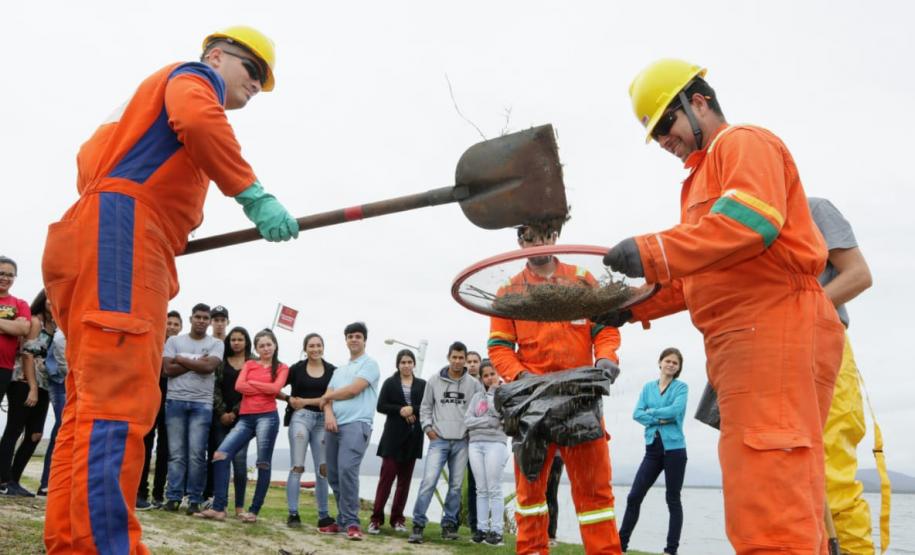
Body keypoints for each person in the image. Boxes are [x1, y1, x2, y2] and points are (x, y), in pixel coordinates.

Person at [40, 25, 298, 553]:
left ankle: (71, 542)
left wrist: (163, 220)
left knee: (87, 405)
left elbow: (89, 160)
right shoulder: (191, 78)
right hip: (124, 239)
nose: (257, 85)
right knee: (118, 402)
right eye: (252, 71)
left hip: (93, 234)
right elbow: (200, 120)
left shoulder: (134, 114)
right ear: (216, 55)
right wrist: (252, 195)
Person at [604, 59, 846, 553]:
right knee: (774, 485)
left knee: (769, 496)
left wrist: (652, 251)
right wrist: (630, 308)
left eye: (665, 125)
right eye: (654, 136)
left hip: (773, 328)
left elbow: (749, 222)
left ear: (698, 102)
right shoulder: (697, 182)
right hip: (744, 342)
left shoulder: (743, 142)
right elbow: (701, 271)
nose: (663, 141)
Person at [488, 221, 622, 554]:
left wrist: (606, 358)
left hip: (581, 399)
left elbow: (604, 330)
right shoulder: (509, 291)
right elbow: (499, 346)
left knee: (597, 496)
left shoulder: (580, 279)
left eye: (542, 236)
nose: (536, 244)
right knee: (530, 496)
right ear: (520, 241)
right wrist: (521, 380)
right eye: (528, 238)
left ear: (554, 236)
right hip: (531, 405)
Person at [809, 197, 880, 554]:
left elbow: (859, 275)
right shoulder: (738, 223)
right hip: (768, 355)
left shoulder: (814, 209)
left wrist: (797, 315)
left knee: (832, 476)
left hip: (824, 343)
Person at [196, 328, 287, 523]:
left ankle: (253, 511)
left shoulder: (281, 367)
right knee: (220, 455)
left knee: (263, 463)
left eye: (268, 344)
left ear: (275, 345)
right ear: (256, 348)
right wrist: (264, 388)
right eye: (261, 345)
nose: (265, 348)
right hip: (245, 418)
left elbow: (274, 389)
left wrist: (253, 384)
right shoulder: (250, 363)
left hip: (267, 417)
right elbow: (239, 386)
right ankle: (219, 508)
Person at [408, 341, 483, 544]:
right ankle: (418, 525)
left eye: (461, 358)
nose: (457, 361)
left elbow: (479, 410)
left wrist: (470, 431)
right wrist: (428, 428)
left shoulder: (474, 385)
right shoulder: (434, 381)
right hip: (438, 440)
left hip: (462, 442)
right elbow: (425, 407)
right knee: (428, 482)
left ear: (465, 360)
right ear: (448, 357)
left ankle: (449, 525)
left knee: (456, 486)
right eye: (454, 357)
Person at [618, 348, 688, 555]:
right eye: (668, 361)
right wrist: (659, 419)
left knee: (672, 499)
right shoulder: (648, 388)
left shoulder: (681, 387)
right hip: (652, 450)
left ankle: (671, 550)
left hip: (675, 450)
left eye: (675, 363)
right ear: (660, 363)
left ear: (678, 368)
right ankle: (620, 545)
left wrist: (651, 413)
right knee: (634, 496)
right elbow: (636, 414)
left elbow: (676, 411)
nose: (671, 365)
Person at [317, 322, 380, 541]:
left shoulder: (370, 365)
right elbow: (326, 398)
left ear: (364, 340)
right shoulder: (338, 371)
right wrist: (328, 413)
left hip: (357, 424)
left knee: (347, 470)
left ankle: (353, 522)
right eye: (350, 336)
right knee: (333, 474)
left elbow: (353, 391)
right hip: (333, 426)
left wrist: (327, 398)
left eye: (358, 336)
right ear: (345, 340)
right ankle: (343, 521)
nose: (354, 339)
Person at [162, 303, 223, 515]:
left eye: (205, 318)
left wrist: (180, 358)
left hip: (202, 404)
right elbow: (168, 370)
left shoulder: (216, 343)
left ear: (209, 321)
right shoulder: (173, 340)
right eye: (197, 317)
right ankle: (173, 497)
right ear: (191, 319)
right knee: (176, 454)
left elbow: (208, 368)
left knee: (197, 454)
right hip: (175, 401)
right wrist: (195, 362)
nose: (201, 321)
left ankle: (195, 499)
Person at [0, 290, 55, 497]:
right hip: (24, 380)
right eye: (51, 297)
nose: (54, 301)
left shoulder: (56, 325)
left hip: (45, 384)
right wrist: (32, 387)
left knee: (35, 434)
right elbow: (27, 355)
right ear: (43, 299)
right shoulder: (35, 322)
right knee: (14, 429)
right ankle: (4, 481)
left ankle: (14, 479)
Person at [369, 349, 426, 534]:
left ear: (414, 364)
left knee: (404, 482)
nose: (406, 365)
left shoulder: (422, 385)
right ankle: (376, 519)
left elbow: (427, 406)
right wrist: (401, 410)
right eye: (403, 362)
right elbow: (381, 406)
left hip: (413, 438)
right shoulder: (390, 383)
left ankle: (397, 520)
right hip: (392, 439)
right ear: (398, 364)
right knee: (386, 479)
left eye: (409, 362)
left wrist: (412, 410)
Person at [284, 332, 336, 529]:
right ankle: (293, 513)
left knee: (323, 469)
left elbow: (331, 397)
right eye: (311, 346)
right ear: (305, 349)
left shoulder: (332, 371)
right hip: (301, 418)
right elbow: (276, 385)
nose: (315, 349)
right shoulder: (296, 369)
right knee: (297, 465)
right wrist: (288, 399)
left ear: (323, 347)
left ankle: (323, 515)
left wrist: (306, 400)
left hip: (323, 421)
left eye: (318, 345)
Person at [137, 310, 183, 510]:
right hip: (149, 399)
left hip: (172, 401)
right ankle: (140, 492)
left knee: (165, 449)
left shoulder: (181, 348)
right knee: (145, 446)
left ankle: (158, 494)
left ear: (181, 327)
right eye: (169, 323)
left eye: (176, 324)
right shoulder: (152, 344)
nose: (172, 326)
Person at [464, 360, 510, 546]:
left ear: (498, 374)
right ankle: (481, 530)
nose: (490, 378)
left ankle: (497, 531)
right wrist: (486, 421)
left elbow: (499, 416)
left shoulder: (505, 395)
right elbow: (468, 420)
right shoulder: (476, 397)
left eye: (492, 374)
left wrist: (492, 393)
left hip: (495, 444)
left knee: (494, 488)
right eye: (486, 375)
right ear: (481, 378)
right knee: (481, 489)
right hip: (475, 444)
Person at [211, 326, 254, 517]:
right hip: (220, 417)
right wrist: (222, 412)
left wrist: (234, 413)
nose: (236, 343)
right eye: (233, 339)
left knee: (239, 460)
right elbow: (214, 387)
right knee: (221, 458)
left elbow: (251, 390)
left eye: (240, 339)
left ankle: (239, 508)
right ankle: (221, 505)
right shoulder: (222, 361)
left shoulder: (252, 363)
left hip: (243, 418)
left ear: (246, 342)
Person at [38, 327, 67, 496]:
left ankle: (52, 482)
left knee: (63, 430)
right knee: (63, 428)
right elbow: (59, 340)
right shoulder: (65, 324)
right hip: (62, 380)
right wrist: (70, 371)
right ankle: (47, 483)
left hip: (67, 379)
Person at [0, 256, 30, 407]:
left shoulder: (20, 303)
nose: (5, 278)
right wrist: (11, 326)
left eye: (10, 275)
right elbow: (16, 327)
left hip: (3, 367)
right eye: (1, 273)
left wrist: (16, 328)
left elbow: (23, 329)